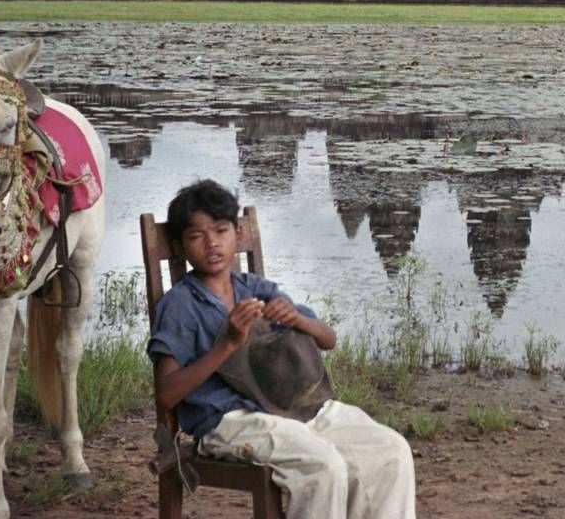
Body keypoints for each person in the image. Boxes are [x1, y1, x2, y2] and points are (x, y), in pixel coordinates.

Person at [149, 180, 416, 519]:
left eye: (220, 230)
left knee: (391, 450)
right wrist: (227, 344)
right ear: (180, 245)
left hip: (293, 408)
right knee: (324, 466)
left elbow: (327, 340)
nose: (212, 243)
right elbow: (166, 395)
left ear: (238, 234)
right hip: (229, 421)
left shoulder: (256, 288)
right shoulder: (180, 306)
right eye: (196, 236)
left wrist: (298, 321)